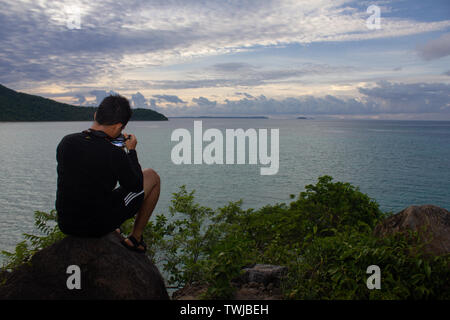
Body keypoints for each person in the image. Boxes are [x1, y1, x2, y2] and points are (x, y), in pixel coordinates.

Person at [55, 94, 160, 253]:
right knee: (152, 177)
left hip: (66, 223)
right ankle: (135, 238)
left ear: (96, 115)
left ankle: (114, 227)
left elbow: (88, 173)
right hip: (95, 227)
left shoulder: (66, 141)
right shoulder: (114, 154)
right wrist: (131, 151)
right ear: (119, 127)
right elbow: (136, 186)